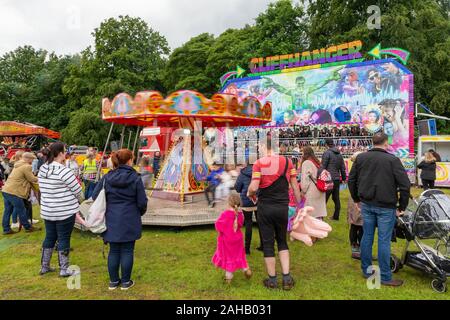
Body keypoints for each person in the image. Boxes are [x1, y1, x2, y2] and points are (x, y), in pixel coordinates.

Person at [348, 132, 411, 287]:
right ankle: (383, 276)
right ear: (385, 143)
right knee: (381, 240)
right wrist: (402, 207)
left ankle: (368, 271)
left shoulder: (363, 158)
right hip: (380, 206)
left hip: (371, 204)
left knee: (368, 237)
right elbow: (405, 185)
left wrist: (357, 199)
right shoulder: (391, 160)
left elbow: (351, 180)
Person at [247, 138, 302, 290]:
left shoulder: (259, 163)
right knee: (282, 240)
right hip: (282, 208)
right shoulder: (288, 162)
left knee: (268, 243)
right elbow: (295, 186)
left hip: (265, 208)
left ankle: (272, 280)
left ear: (264, 146)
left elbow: (254, 186)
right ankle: (286, 277)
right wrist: (300, 205)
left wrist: (249, 192)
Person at [92, 149, 148, 290]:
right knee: (128, 250)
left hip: (111, 217)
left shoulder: (107, 177)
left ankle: (113, 281)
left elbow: (94, 196)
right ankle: (125, 282)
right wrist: (138, 213)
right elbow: (142, 202)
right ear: (129, 160)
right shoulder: (135, 177)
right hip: (130, 216)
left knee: (114, 250)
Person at [38, 143, 83, 277]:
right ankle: (64, 269)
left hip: (48, 210)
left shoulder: (42, 169)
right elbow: (78, 190)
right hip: (64, 211)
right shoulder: (64, 171)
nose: (66, 154)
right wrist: (81, 200)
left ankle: (44, 266)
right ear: (61, 153)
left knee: (50, 237)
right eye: (65, 151)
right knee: (64, 238)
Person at [212, 193, 252, 284]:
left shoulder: (225, 214)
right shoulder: (240, 214)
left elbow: (218, 226)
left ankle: (228, 279)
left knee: (229, 259)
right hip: (238, 239)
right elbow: (241, 224)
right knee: (239, 255)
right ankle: (246, 269)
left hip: (227, 240)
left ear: (229, 203)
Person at [2, 152, 40, 234]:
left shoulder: (17, 164)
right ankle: (28, 227)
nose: (32, 161)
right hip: (14, 192)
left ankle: (6, 229)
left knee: (7, 210)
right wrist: (41, 177)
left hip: (6, 190)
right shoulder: (26, 166)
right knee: (21, 210)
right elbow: (32, 179)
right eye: (32, 159)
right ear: (28, 158)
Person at [235, 162, 263, 255]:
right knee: (260, 223)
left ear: (246, 164)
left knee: (248, 223)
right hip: (258, 201)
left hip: (246, 202)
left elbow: (237, 188)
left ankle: (247, 249)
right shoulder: (259, 172)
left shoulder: (242, 174)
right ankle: (263, 245)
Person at [321, 138, 347, 220]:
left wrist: (318, 177)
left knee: (324, 198)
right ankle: (336, 216)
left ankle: (320, 217)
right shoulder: (339, 154)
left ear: (326, 144)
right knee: (336, 198)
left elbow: (323, 167)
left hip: (329, 179)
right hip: (336, 179)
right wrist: (343, 178)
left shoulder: (327, 153)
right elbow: (343, 168)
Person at [300, 146, 327, 220]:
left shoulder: (306, 163)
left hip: (312, 190)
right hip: (319, 188)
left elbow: (305, 180)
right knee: (318, 214)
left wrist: (303, 190)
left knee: (311, 215)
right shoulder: (316, 162)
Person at [347, 152, 363, 259]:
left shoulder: (358, 169)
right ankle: (355, 246)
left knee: (361, 224)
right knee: (356, 224)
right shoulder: (357, 169)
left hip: (358, 198)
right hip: (356, 199)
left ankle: (360, 247)